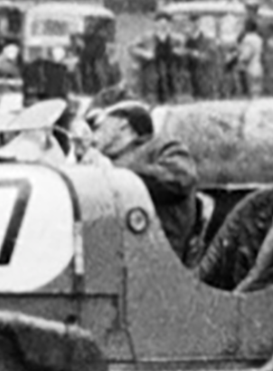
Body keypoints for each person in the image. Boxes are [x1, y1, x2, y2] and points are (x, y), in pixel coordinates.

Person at [85, 98, 205, 260]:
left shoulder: (162, 146)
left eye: (98, 126)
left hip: (153, 251)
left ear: (122, 125)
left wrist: (116, 174)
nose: (92, 134)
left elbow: (180, 178)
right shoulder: (99, 160)